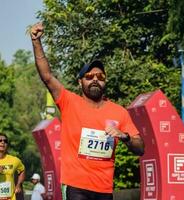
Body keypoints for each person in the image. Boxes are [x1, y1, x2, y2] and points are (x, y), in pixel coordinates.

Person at [30, 22, 144, 200]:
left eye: (100, 76)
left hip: (104, 189)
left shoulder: (119, 112)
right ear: (80, 82)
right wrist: (36, 41)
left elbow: (140, 148)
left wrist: (125, 136)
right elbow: (47, 76)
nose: (95, 80)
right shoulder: (68, 101)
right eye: (89, 77)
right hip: (76, 187)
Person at [0, 133, 25, 200]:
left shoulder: (14, 160)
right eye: (0, 140)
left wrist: (18, 185)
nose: (2, 142)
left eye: (5, 141)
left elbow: (22, 170)